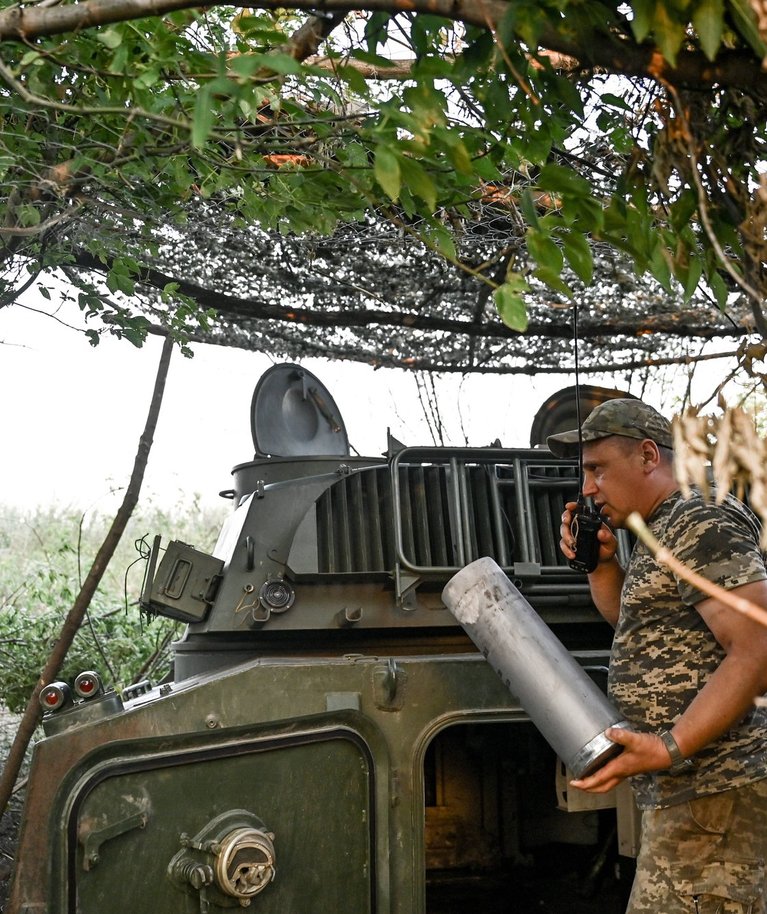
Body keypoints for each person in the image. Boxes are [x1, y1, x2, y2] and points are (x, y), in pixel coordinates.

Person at [547, 398, 767, 914]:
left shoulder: (698, 519)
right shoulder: (663, 523)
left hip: (716, 792)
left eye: (598, 469)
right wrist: (601, 566)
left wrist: (670, 745)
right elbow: (647, 633)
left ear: (648, 455)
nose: (587, 488)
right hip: (692, 797)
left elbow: (758, 646)